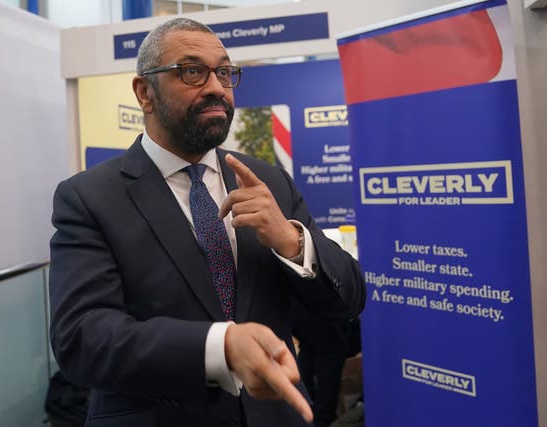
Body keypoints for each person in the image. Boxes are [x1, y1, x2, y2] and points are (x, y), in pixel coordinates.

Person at [48, 17, 365, 427]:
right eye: (192, 71)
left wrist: (291, 240)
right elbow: (81, 339)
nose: (216, 87)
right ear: (145, 92)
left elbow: (349, 299)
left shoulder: (268, 180)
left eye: (225, 72)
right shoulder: (88, 197)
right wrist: (220, 346)